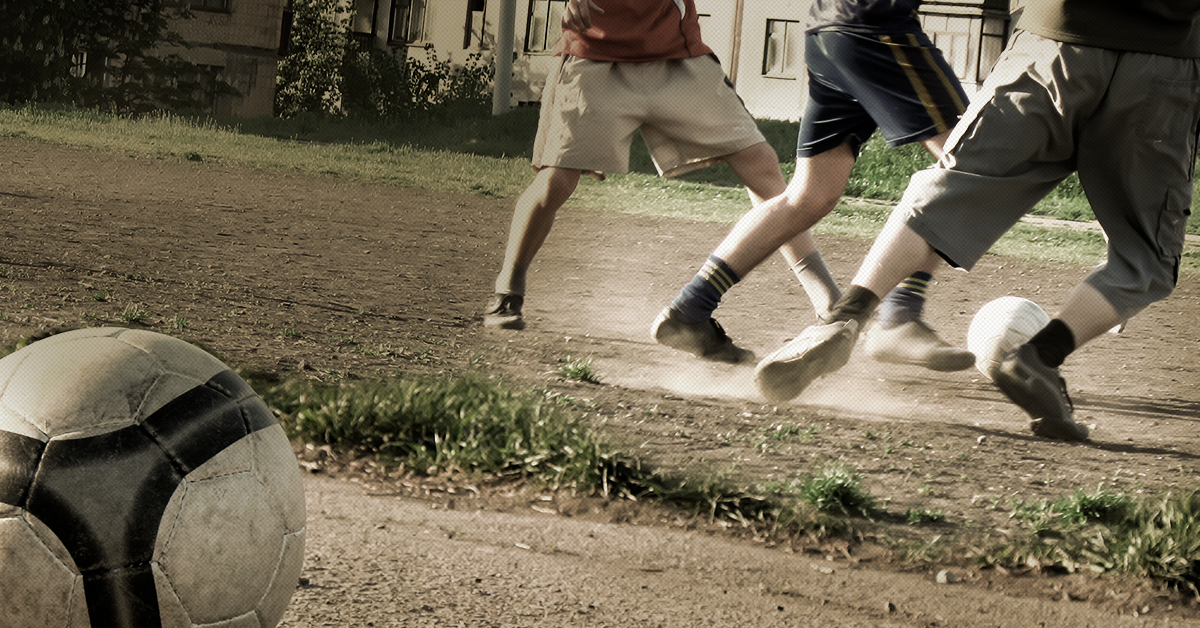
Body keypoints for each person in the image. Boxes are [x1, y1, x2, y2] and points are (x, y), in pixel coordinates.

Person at [753, 0, 1200, 441]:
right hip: (1162, 65)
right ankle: (1040, 357)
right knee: (1147, 257)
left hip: (1051, 44)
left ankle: (843, 318)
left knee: (950, 186)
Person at [484, 0, 843, 360]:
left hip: (678, 58)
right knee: (556, 181)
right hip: (594, 58)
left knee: (760, 163)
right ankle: (507, 293)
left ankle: (828, 303)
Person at [652, 0, 975, 373]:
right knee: (970, 168)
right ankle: (900, 315)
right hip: (878, 27)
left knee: (808, 195)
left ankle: (690, 308)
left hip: (826, 32)